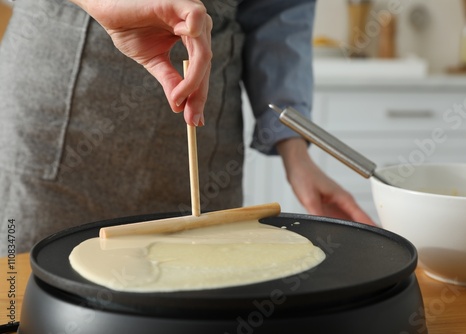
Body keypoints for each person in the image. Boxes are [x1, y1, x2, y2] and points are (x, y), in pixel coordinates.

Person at [0, 0, 374, 255]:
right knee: (27, 294)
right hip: (54, 115)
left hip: (205, 133)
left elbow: (280, 15)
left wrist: (296, 152)